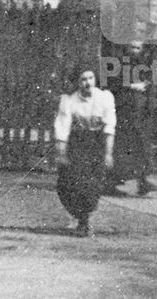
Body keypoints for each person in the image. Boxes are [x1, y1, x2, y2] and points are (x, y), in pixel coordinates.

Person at [54, 65, 116, 237]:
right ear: (77, 82)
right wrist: (61, 153)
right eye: (83, 79)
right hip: (77, 143)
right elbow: (62, 128)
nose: (88, 82)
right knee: (70, 182)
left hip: (96, 144)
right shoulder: (70, 100)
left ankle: (84, 220)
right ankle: (80, 216)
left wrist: (108, 153)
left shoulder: (104, 98)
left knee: (91, 184)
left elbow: (109, 126)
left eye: (90, 78)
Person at [103, 40, 157, 197]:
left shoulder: (141, 65)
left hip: (136, 111)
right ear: (127, 48)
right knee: (122, 147)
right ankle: (112, 183)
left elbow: (147, 83)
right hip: (123, 110)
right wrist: (133, 86)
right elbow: (112, 84)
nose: (135, 51)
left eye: (138, 48)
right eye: (132, 47)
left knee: (139, 146)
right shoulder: (118, 64)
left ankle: (142, 181)